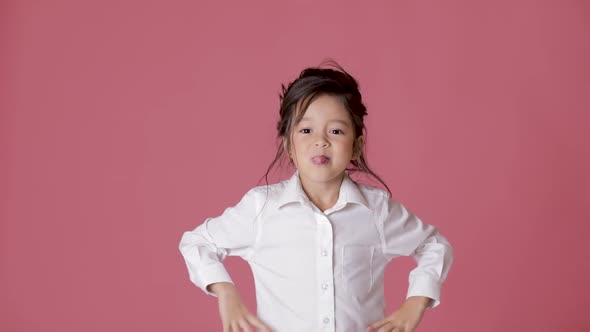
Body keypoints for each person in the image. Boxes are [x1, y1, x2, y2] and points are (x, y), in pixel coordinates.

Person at [178, 60, 454, 332]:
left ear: (357, 146)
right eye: (306, 130)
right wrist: (226, 292)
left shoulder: (376, 210)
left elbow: (434, 245)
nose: (320, 141)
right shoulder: (262, 208)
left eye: (335, 131)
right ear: (288, 144)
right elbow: (197, 242)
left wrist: (415, 304)